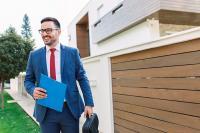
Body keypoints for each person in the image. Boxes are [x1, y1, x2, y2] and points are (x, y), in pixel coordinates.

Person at [24, 17, 94, 133]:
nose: (44, 34)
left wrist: (89, 103)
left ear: (59, 31)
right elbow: (28, 80)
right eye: (42, 31)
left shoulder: (72, 53)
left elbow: (82, 78)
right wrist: (33, 90)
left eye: (48, 30)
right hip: (46, 111)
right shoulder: (34, 55)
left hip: (69, 109)